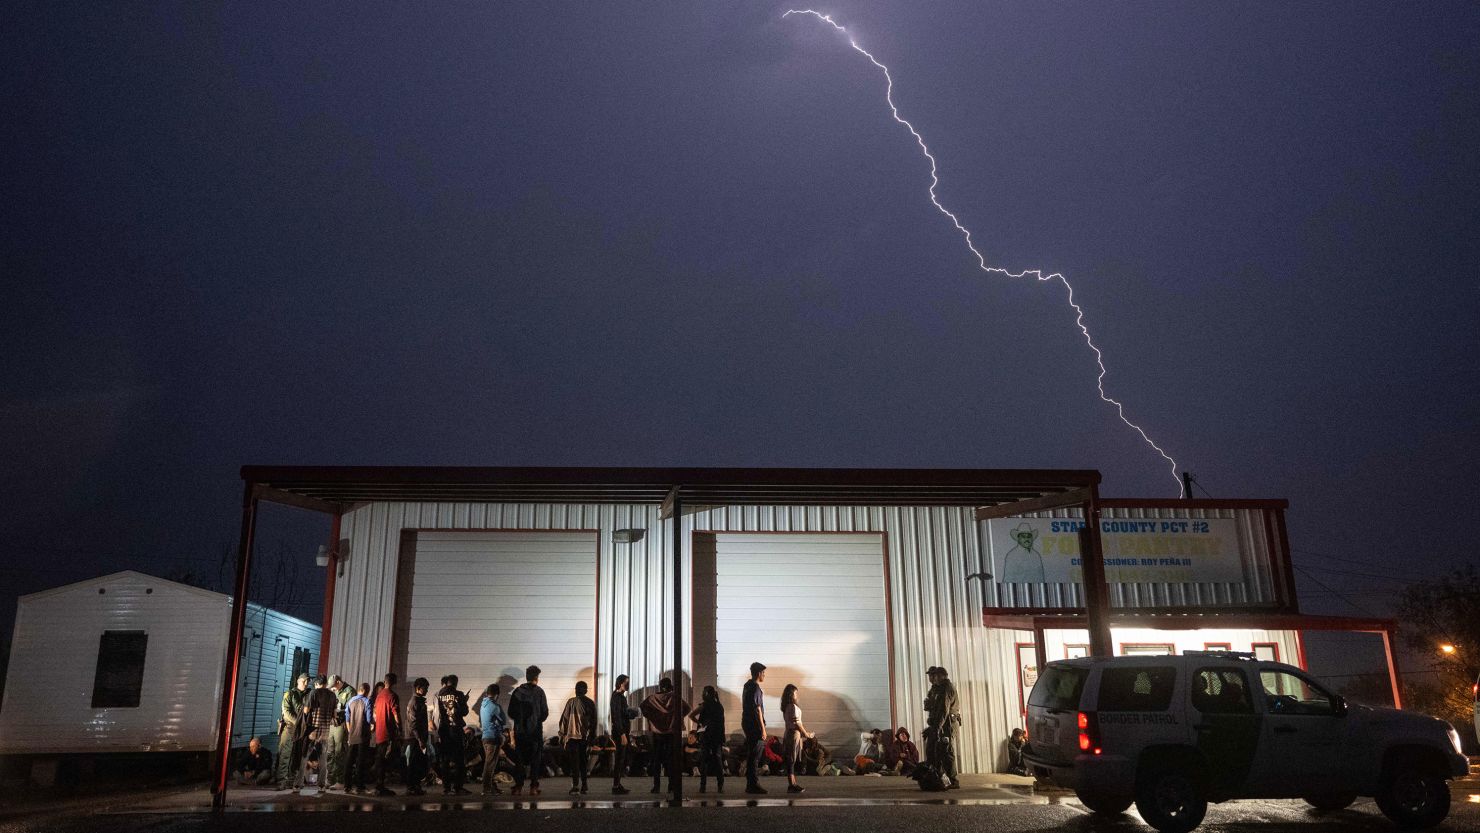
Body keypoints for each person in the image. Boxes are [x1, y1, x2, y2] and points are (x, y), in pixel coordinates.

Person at [639, 678, 689, 795]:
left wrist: (652, 718)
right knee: (671, 761)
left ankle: (656, 787)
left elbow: (642, 707)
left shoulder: (652, 698)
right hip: (671, 733)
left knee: (657, 761)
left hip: (657, 734)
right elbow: (687, 708)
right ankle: (671, 786)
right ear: (670, 685)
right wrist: (676, 717)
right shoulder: (675, 697)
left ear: (660, 686)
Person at [509, 665, 549, 795]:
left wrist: (520, 721)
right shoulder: (539, 692)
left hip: (520, 731)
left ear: (527, 677)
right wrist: (536, 720)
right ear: (536, 678)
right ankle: (533, 787)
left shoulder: (517, 692)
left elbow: (511, 712)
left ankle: (519, 787)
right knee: (535, 760)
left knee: (519, 760)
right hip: (535, 731)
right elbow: (544, 712)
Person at [430, 674, 471, 795]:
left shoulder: (439, 694)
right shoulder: (459, 694)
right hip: (456, 730)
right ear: (456, 683)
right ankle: (458, 787)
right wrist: (464, 701)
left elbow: (436, 712)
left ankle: (446, 787)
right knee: (459, 760)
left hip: (443, 730)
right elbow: (464, 711)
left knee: (445, 760)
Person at [298, 675, 340, 791]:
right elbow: (334, 715)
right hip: (325, 731)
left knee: (304, 757)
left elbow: (306, 710)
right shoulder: (332, 695)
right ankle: (322, 785)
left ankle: (298, 784)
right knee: (323, 759)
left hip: (312, 730)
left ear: (317, 684)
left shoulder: (314, 693)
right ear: (326, 683)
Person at [924, 666, 961, 789]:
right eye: (932, 676)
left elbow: (944, 710)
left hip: (947, 724)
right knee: (938, 751)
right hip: (940, 724)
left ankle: (953, 780)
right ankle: (942, 778)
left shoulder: (946, 688)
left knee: (947, 751)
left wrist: (938, 727)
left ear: (943, 676)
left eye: (936, 676)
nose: (933, 678)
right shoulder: (936, 689)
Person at [558, 681, 598, 794]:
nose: (577, 690)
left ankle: (575, 785)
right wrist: (592, 738)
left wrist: (562, 735)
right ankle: (584, 785)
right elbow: (594, 723)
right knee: (583, 762)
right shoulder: (590, 703)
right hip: (584, 738)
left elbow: (564, 720)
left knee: (575, 763)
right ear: (586, 691)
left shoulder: (570, 702)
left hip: (571, 738)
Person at [688, 688, 726, 792]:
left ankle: (703, 786)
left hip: (706, 735)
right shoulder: (719, 706)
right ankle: (720, 785)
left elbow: (691, 715)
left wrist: (700, 723)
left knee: (704, 760)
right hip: (717, 736)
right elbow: (722, 724)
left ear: (706, 694)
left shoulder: (704, 705)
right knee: (718, 760)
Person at [275, 673, 310, 787]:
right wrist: (300, 722)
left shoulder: (309, 695)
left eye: (307, 681)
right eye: (304, 681)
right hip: (290, 728)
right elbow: (287, 712)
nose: (306, 683)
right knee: (285, 755)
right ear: (298, 681)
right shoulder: (289, 694)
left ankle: (292, 779)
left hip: (301, 730)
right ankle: (281, 781)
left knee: (297, 755)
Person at [779, 684, 813, 793]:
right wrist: (806, 734)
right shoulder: (792, 706)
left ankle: (793, 784)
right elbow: (797, 723)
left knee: (791, 760)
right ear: (791, 694)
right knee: (791, 760)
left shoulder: (787, 707)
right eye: (795, 693)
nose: (797, 695)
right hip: (793, 734)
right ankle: (792, 784)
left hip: (790, 733)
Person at [372, 672, 401, 796]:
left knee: (380, 759)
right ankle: (380, 786)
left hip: (379, 732)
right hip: (388, 733)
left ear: (385, 681)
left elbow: (375, 713)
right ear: (394, 682)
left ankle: (379, 785)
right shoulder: (393, 695)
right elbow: (396, 714)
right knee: (385, 759)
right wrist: (400, 728)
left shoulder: (379, 696)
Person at [741, 662, 767, 794]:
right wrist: (763, 729)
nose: (764, 675)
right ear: (758, 673)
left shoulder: (747, 686)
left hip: (746, 722)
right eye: (763, 673)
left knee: (752, 754)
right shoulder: (755, 688)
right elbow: (758, 709)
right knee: (755, 756)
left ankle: (750, 784)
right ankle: (753, 784)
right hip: (754, 725)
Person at [402, 677, 431, 796]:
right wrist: (420, 739)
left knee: (417, 762)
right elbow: (413, 723)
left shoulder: (418, 701)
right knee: (413, 763)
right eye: (426, 688)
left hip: (416, 737)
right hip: (414, 738)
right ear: (418, 688)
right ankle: (411, 787)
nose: (427, 690)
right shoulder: (414, 702)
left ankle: (415, 786)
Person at [478, 684, 508, 795]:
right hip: (493, 737)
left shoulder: (483, 705)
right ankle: (486, 789)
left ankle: (491, 787)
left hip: (485, 736)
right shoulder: (495, 706)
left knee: (490, 764)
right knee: (490, 765)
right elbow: (503, 720)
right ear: (497, 694)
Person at [609, 674, 637, 794]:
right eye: (626, 682)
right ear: (620, 683)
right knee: (620, 758)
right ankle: (616, 786)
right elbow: (616, 717)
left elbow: (622, 714)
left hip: (622, 731)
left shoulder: (620, 697)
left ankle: (617, 784)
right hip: (620, 732)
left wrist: (632, 713)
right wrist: (622, 734)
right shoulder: (617, 697)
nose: (628, 685)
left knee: (622, 758)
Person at [343, 683, 373, 794]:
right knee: (361, 761)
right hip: (363, 736)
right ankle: (359, 786)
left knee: (349, 761)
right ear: (366, 690)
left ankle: (347, 786)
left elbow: (347, 719)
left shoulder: (350, 701)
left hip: (352, 736)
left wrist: (350, 732)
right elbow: (369, 720)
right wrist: (372, 727)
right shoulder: (367, 701)